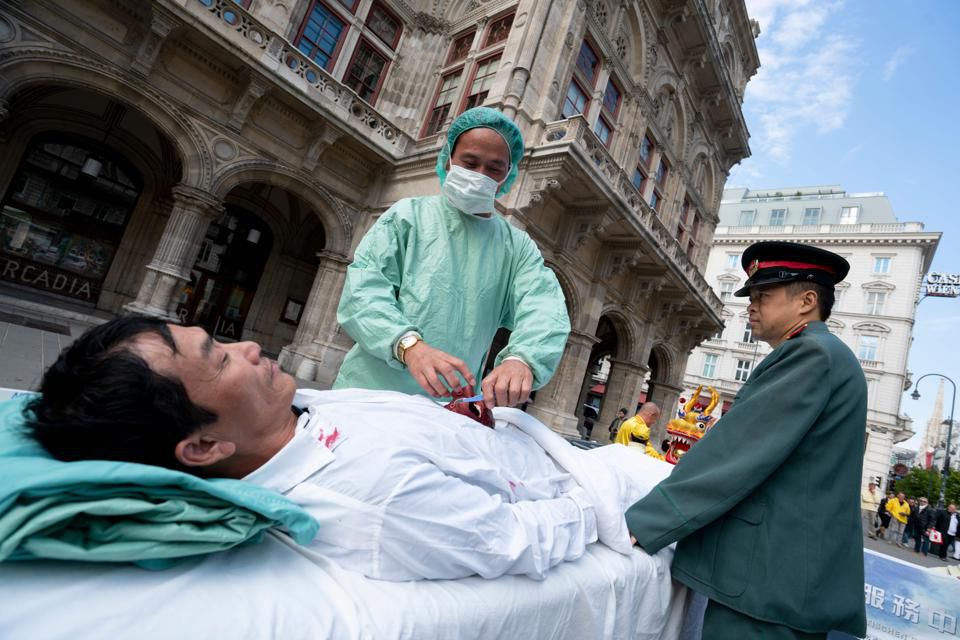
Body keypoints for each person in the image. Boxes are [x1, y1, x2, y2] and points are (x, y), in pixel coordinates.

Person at [25, 317, 662, 582]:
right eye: (219, 360)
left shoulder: (299, 413)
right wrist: (604, 499)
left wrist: (468, 421)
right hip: (616, 489)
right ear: (202, 447)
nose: (248, 347)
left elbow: (410, 431)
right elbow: (519, 538)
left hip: (540, 445)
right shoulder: (374, 500)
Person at [624, 241, 868, 638]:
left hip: (768, 583)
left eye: (763, 296)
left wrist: (648, 521)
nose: (750, 306)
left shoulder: (811, 355)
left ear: (807, 300)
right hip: (783, 581)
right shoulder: (824, 354)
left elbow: (737, 452)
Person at [334, 107, 570, 409]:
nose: (479, 175)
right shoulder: (408, 217)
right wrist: (410, 347)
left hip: (448, 409)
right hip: (368, 395)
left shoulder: (517, 247)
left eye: (494, 168)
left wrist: (522, 358)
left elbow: (544, 308)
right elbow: (362, 292)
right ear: (448, 159)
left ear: (509, 175)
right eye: (470, 163)